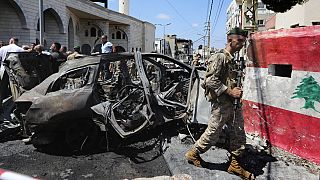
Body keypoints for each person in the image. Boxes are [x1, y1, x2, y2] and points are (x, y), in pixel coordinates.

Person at [185, 27, 255, 179]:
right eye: (240, 40)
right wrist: (231, 92)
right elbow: (210, 80)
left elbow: (227, 79)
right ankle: (193, 153)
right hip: (222, 104)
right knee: (213, 132)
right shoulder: (220, 57)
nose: (243, 44)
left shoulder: (231, 58)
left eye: (244, 41)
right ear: (231, 40)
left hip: (232, 104)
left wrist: (235, 90)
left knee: (238, 132)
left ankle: (235, 165)